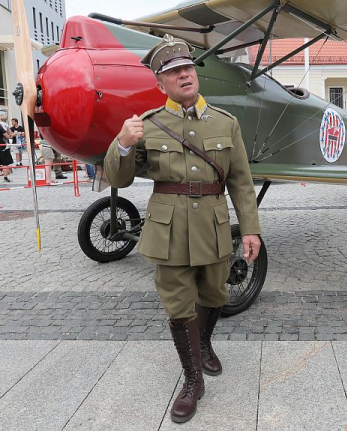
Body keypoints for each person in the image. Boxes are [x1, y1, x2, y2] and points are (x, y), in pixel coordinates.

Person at [104, 35, 262, 424]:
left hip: (213, 222)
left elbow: (241, 180)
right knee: (178, 304)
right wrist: (122, 145)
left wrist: (251, 230)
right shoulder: (148, 125)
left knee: (214, 294)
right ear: (161, 83)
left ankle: (204, 345)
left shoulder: (227, 123)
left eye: (188, 68)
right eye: (173, 71)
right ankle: (192, 380)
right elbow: (118, 179)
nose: (184, 75)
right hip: (168, 227)